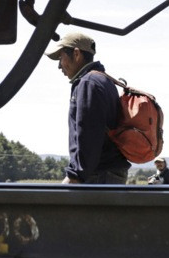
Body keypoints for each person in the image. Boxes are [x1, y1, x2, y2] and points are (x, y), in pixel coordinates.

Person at [45, 31, 130, 184]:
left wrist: (75, 175)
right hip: (107, 173)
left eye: (60, 57)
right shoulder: (102, 80)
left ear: (76, 54)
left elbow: (89, 134)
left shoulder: (88, 83)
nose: (59, 66)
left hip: (98, 175)